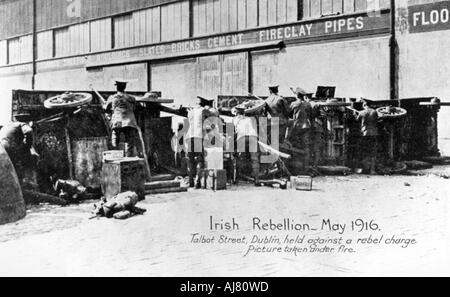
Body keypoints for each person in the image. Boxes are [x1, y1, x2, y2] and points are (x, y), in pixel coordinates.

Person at [185, 96, 219, 188]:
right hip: (199, 137)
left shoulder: (190, 112)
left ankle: (190, 181)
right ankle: (197, 182)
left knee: (190, 160)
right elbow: (215, 114)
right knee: (200, 159)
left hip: (189, 137)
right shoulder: (204, 110)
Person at [104, 80, 139, 157]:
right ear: (125, 87)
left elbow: (106, 109)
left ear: (116, 87)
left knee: (115, 140)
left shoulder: (112, 97)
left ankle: (116, 158)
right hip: (130, 121)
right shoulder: (131, 98)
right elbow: (134, 108)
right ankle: (128, 158)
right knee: (129, 142)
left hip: (118, 120)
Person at [0, 113, 39, 182]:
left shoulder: (8, 125)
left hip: (2, 148)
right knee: (32, 156)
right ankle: (27, 182)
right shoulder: (22, 124)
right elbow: (28, 131)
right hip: (10, 147)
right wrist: (28, 146)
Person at [286, 87, 313, 173]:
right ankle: (306, 168)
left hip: (296, 127)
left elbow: (289, 115)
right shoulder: (307, 104)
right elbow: (311, 116)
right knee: (306, 148)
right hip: (306, 127)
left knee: (293, 147)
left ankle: (295, 168)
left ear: (297, 95)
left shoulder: (293, 104)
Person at [233, 106, 260, 186]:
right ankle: (256, 180)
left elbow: (234, 132)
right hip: (253, 137)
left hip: (242, 137)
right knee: (255, 159)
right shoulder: (250, 119)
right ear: (244, 113)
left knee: (239, 157)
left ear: (236, 113)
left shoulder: (235, 119)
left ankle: (237, 179)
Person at [356, 100, 379, 175]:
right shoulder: (374, 112)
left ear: (364, 105)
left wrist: (354, 114)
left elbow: (357, 120)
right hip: (374, 134)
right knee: (373, 152)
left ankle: (364, 169)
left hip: (365, 134)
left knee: (364, 152)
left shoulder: (361, 112)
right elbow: (377, 120)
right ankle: (372, 170)